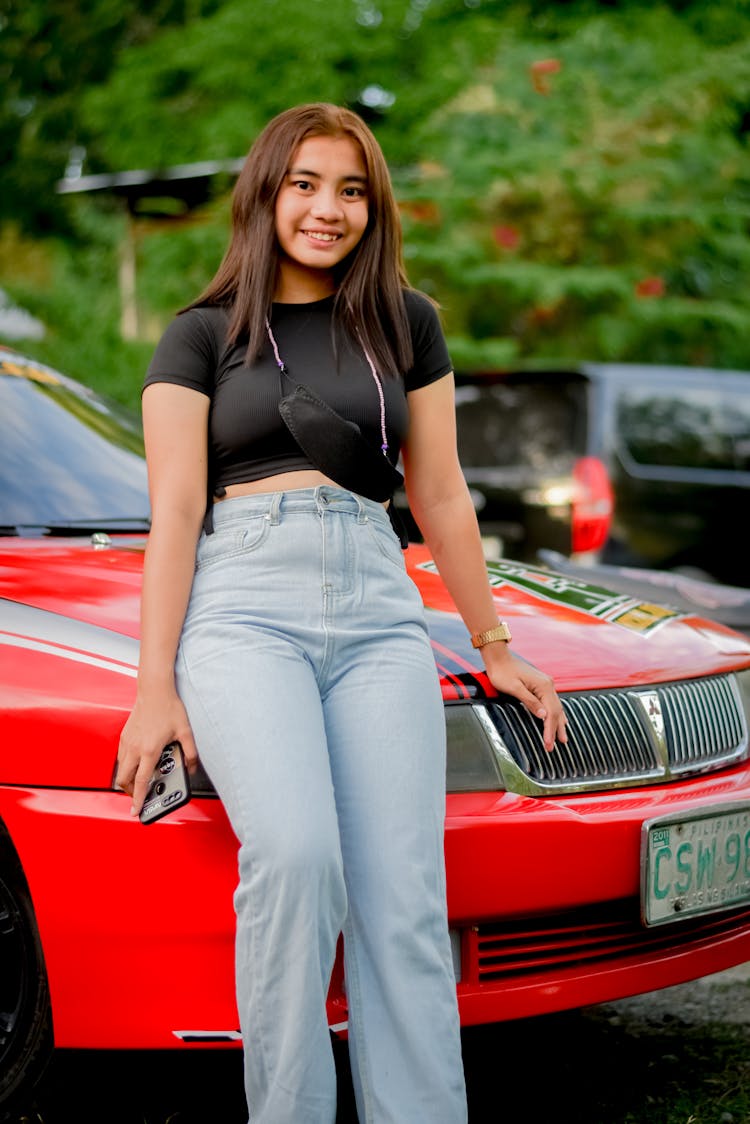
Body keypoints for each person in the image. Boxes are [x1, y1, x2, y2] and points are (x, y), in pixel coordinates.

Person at [116, 102, 567, 1124]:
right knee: (297, 859)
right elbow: (176, 513)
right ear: (266, 191)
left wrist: (495, 642)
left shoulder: (406, 322)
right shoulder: (197, 335)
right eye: (306, 184)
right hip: (245, 608)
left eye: (352, 189)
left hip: (375, 605)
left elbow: (441, 493)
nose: (329, 209)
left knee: (403, 898)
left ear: (375, 206)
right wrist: (154, 688)